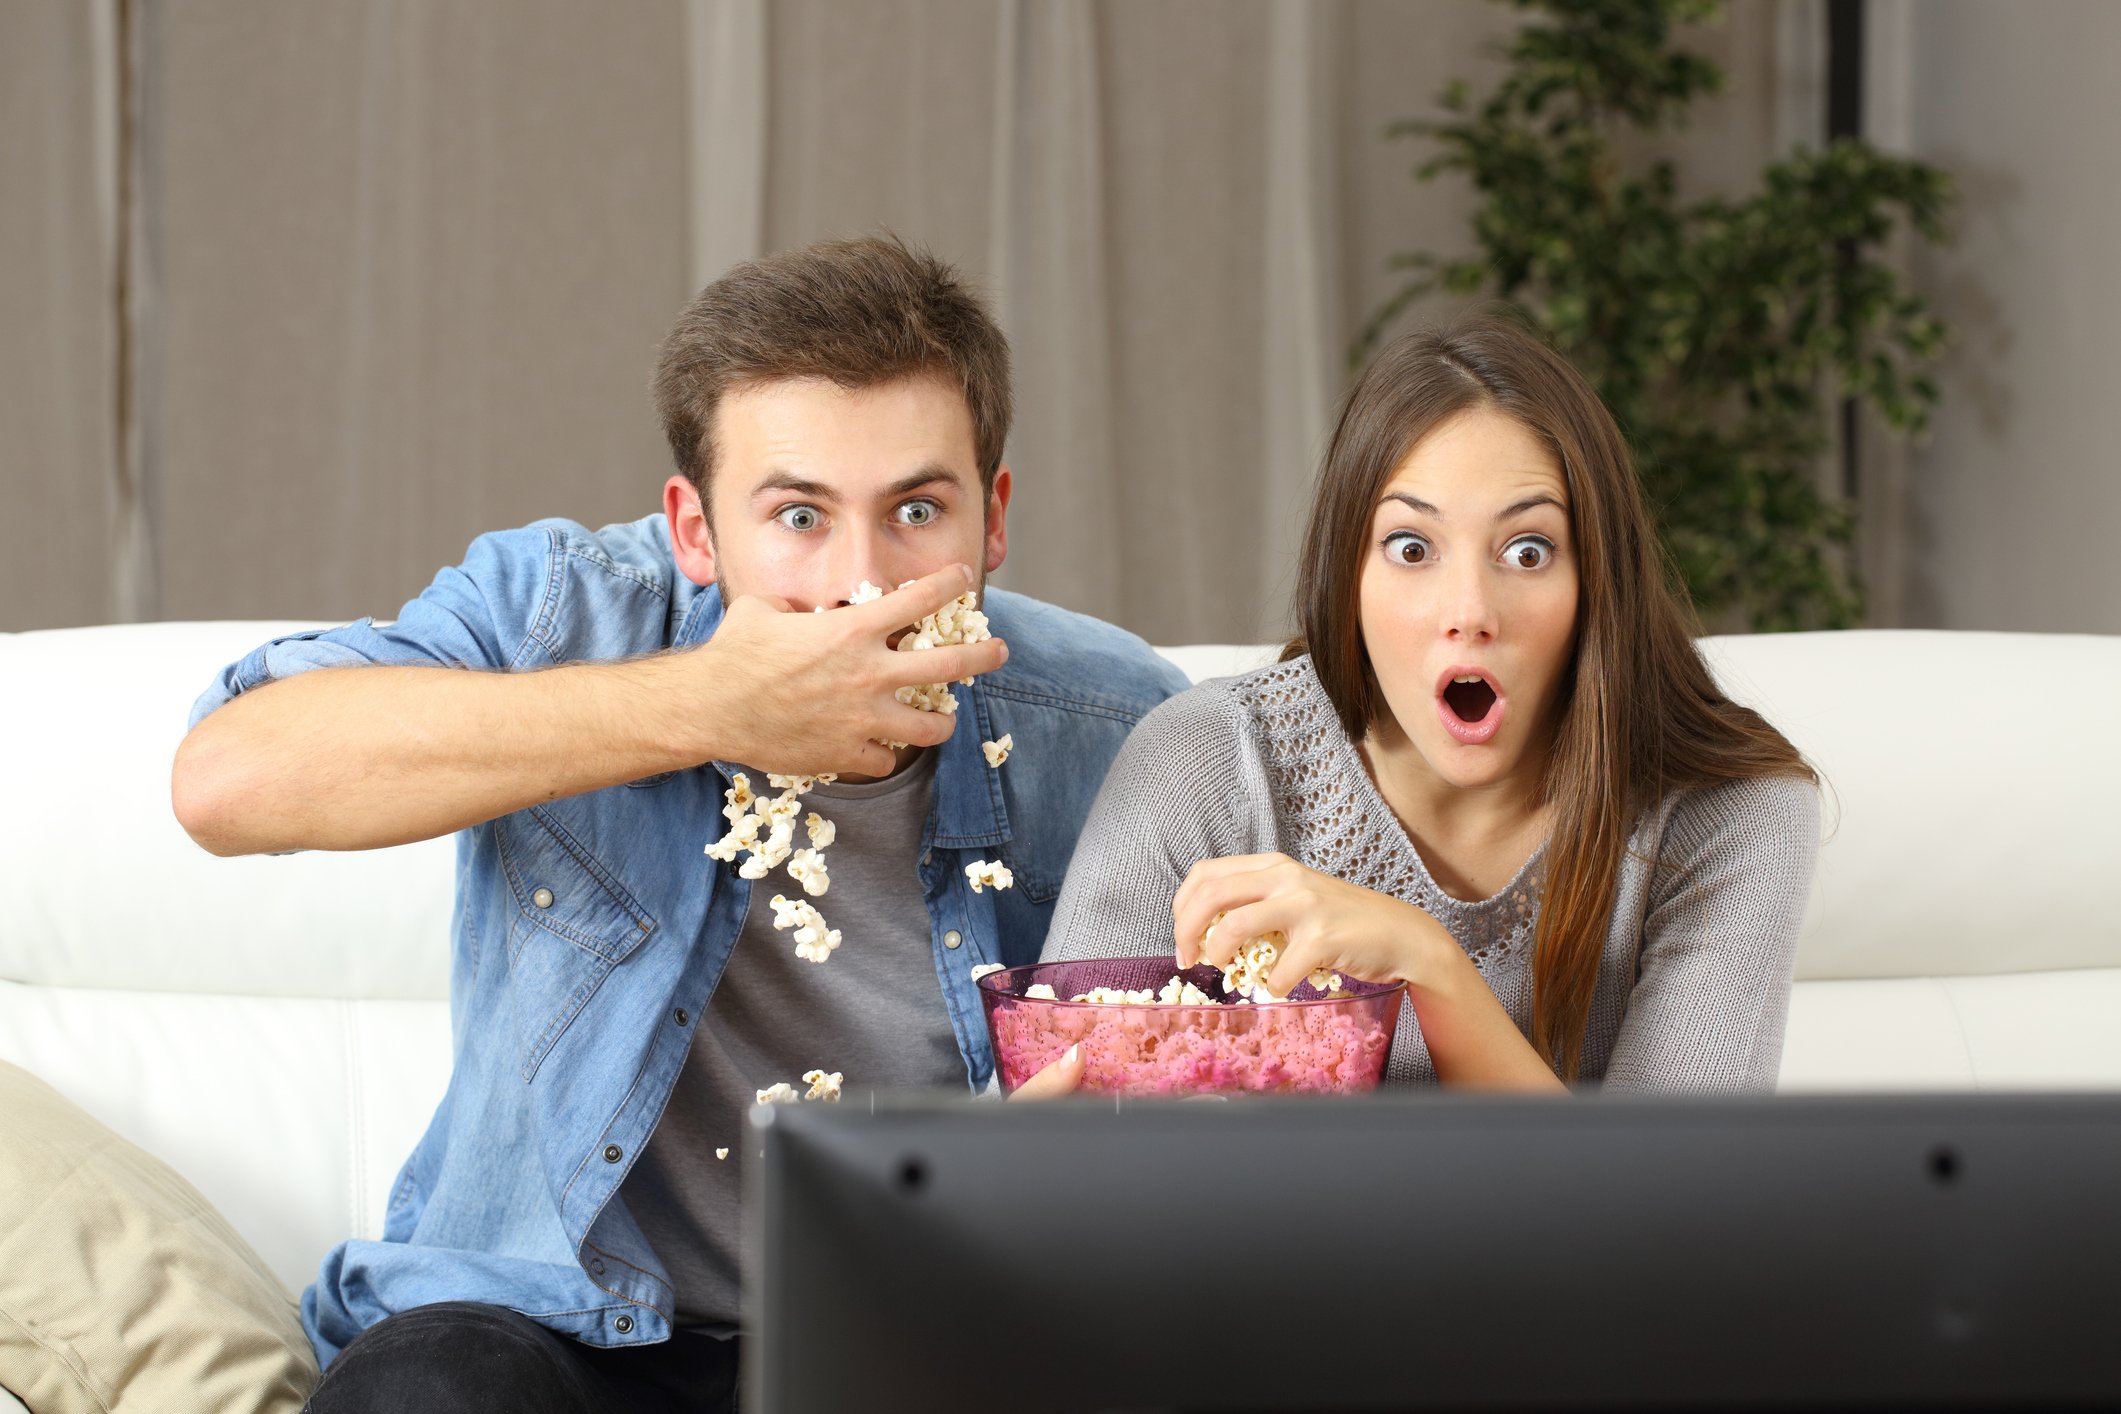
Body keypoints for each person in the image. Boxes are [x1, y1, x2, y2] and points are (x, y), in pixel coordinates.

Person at [170, 234, 1189, 1410]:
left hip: (928, 1337)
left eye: (917, 509)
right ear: (695, 530)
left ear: (993, 520)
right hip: (551, 1339)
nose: (862, 583)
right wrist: (705, 703)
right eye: (798, 517)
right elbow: (227, 780)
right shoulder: (562, 614)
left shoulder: (1118, 723)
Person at [1041, 314, 1820, 1091]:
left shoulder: (1726, 809)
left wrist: (1428, 965)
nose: (1470, 608)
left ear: (1595, 581)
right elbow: (1063, 1140)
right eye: (1411, 549)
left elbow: (1674, 1209)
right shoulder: (1204, 763)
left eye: (1528, 550)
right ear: (1345, 574)